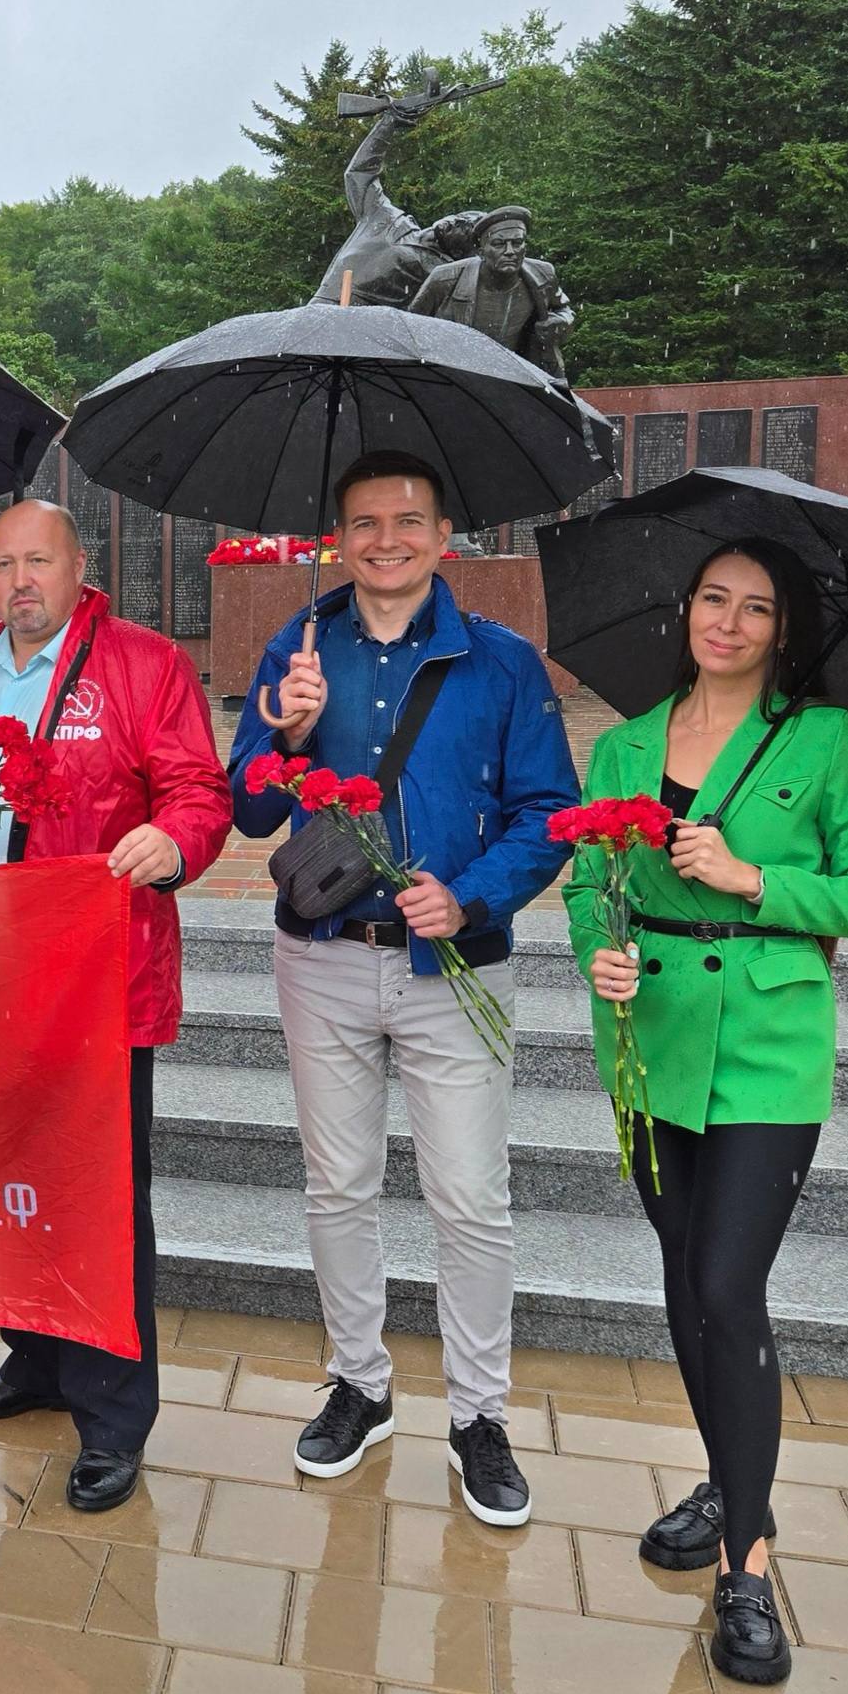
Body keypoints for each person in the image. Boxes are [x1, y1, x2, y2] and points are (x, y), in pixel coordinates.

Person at [566, 538, 848, 1687]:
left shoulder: (825, 741)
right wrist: (599, 952)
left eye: (755, 608)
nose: (727, 621)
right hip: (650, 1039)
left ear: (781, 629)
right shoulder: (621, 745)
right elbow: (588, 885)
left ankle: (745, 1563)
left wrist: (751, 879)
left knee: (725, 1284)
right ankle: (728, 1474)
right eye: (713, 598)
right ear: (686, 610)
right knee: (681, 1275)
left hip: (767, 1043)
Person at [227, 449, 578, 1527]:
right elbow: (247, 807)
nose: (387, 539)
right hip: (323, 957)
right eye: (366, 522)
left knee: (468, 1199)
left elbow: (548, 812)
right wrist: (285, 733)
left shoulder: (501, 661)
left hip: (453, 967)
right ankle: (360, 1384)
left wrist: (470, 898)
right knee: (337, 1186)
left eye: (409, 520)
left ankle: (479, 1415)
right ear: (338, 539)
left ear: (442, 536)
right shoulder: (297, 647)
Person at [0, 500, 231, 1512]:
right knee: (10, 1183)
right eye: (2, 565)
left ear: (80, 564)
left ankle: (113, 1418)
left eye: (37, 560)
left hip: (92, 983)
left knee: (98, 1203)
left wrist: (173, 841)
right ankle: (35, 1361)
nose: (20, 582)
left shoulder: (141, 665)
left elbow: (198, 791)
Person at [313, 89, 485, 308]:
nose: (460, 220)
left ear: (463, 251)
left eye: (468, 227)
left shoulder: (442, 272)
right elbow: (359, 174)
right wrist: (388, 123)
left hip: (368, 322)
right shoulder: (388, 217)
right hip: (321, 307)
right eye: (463, 216)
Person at [407, 205, 576, 381]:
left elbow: (564, 310)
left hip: (517, 376)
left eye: (517, 243)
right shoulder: (444, 279)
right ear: (481, 252)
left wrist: (560, 323)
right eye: (499, 244)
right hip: (453, 375)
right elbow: (409, 327)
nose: (510, 251)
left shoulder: (543, 275)